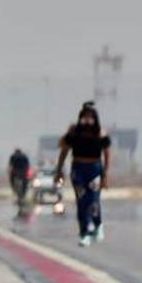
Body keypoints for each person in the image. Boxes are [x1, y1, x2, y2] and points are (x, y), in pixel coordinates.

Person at [55, 102, 112, 246]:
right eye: (84, 117)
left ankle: (98, 225)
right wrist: (59, 170)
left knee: (93, 200)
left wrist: (105, 174)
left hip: (94, 169)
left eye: (90, 118)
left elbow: (107, 153)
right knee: (81, 201)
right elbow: (64, 151)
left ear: (95, 119)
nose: (87, 121)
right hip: (78, 169)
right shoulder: (74, 132)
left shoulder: (100, 133)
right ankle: (84, 232)